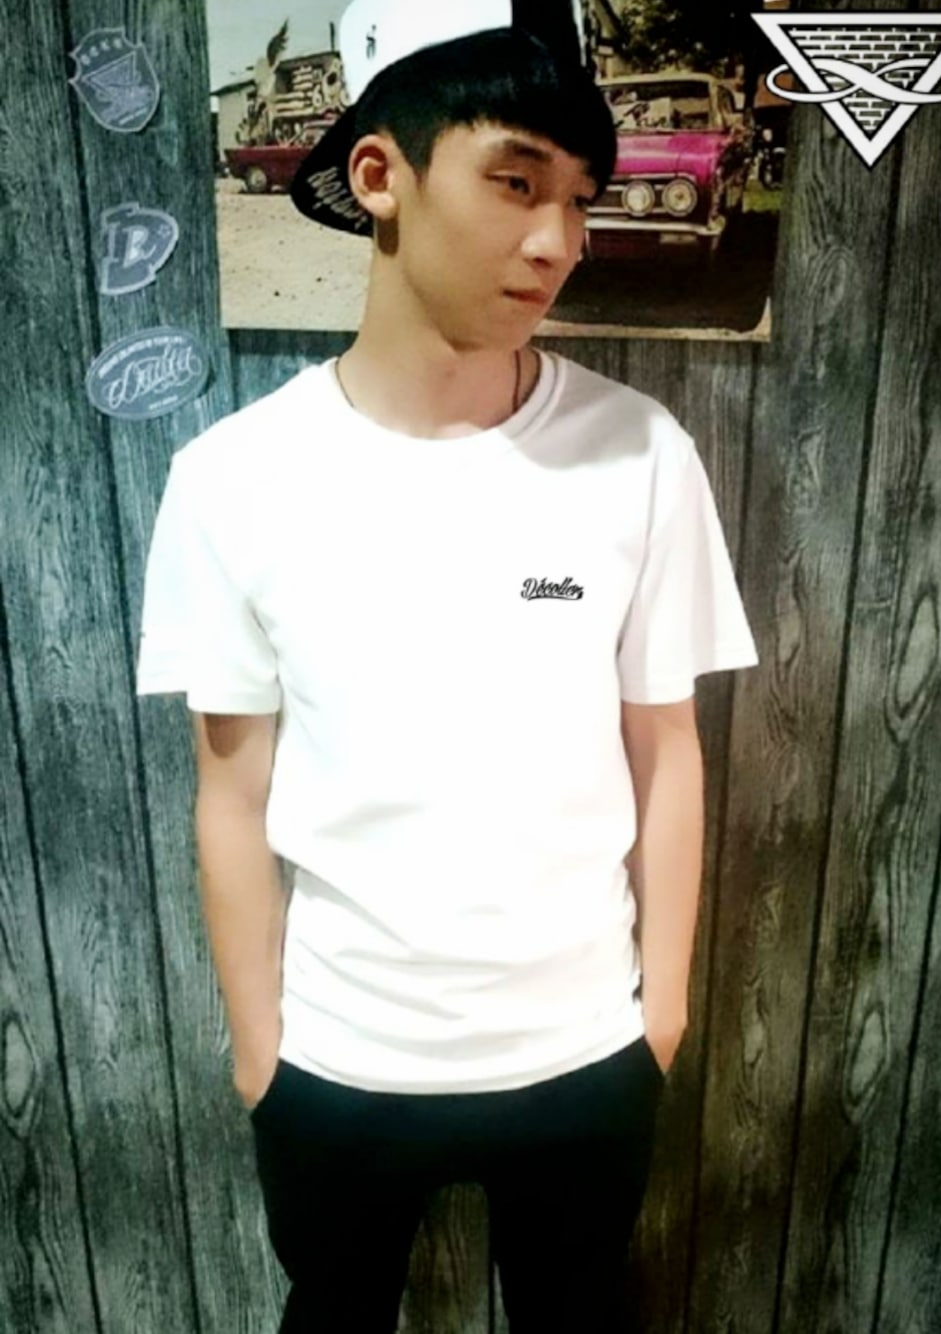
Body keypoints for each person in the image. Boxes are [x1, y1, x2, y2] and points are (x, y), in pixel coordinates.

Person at [135, 1, 758, 1330]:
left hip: (587, 1050)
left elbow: (669, 751)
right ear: (380, 176)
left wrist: (661, 1021)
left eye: (580, 199)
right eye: (516, 182)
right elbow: (230, 792)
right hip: (339, 1059)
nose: (558, 241)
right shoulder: (233, 480)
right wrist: (263, 1055)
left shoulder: (641, 453)